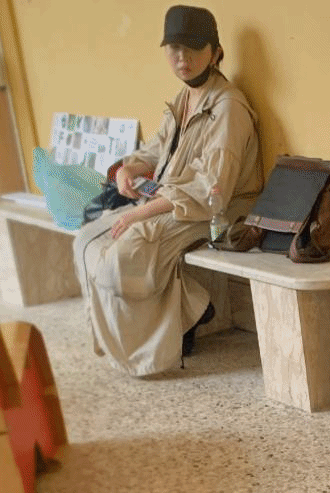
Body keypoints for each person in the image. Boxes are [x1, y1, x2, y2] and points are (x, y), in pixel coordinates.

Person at [73, 5, 261, 376]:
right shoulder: (183, 98)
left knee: (121, 257)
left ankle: (179, 322)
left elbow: (212, 190)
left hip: (213, 211)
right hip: (170, 200)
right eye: (174, 48)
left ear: (215, 52)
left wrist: (140, 212)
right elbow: (159, 147)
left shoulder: (228, 108)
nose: (182, 58)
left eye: (193, 48)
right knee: (84, 242)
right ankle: (193, 307)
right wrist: (129, 168)